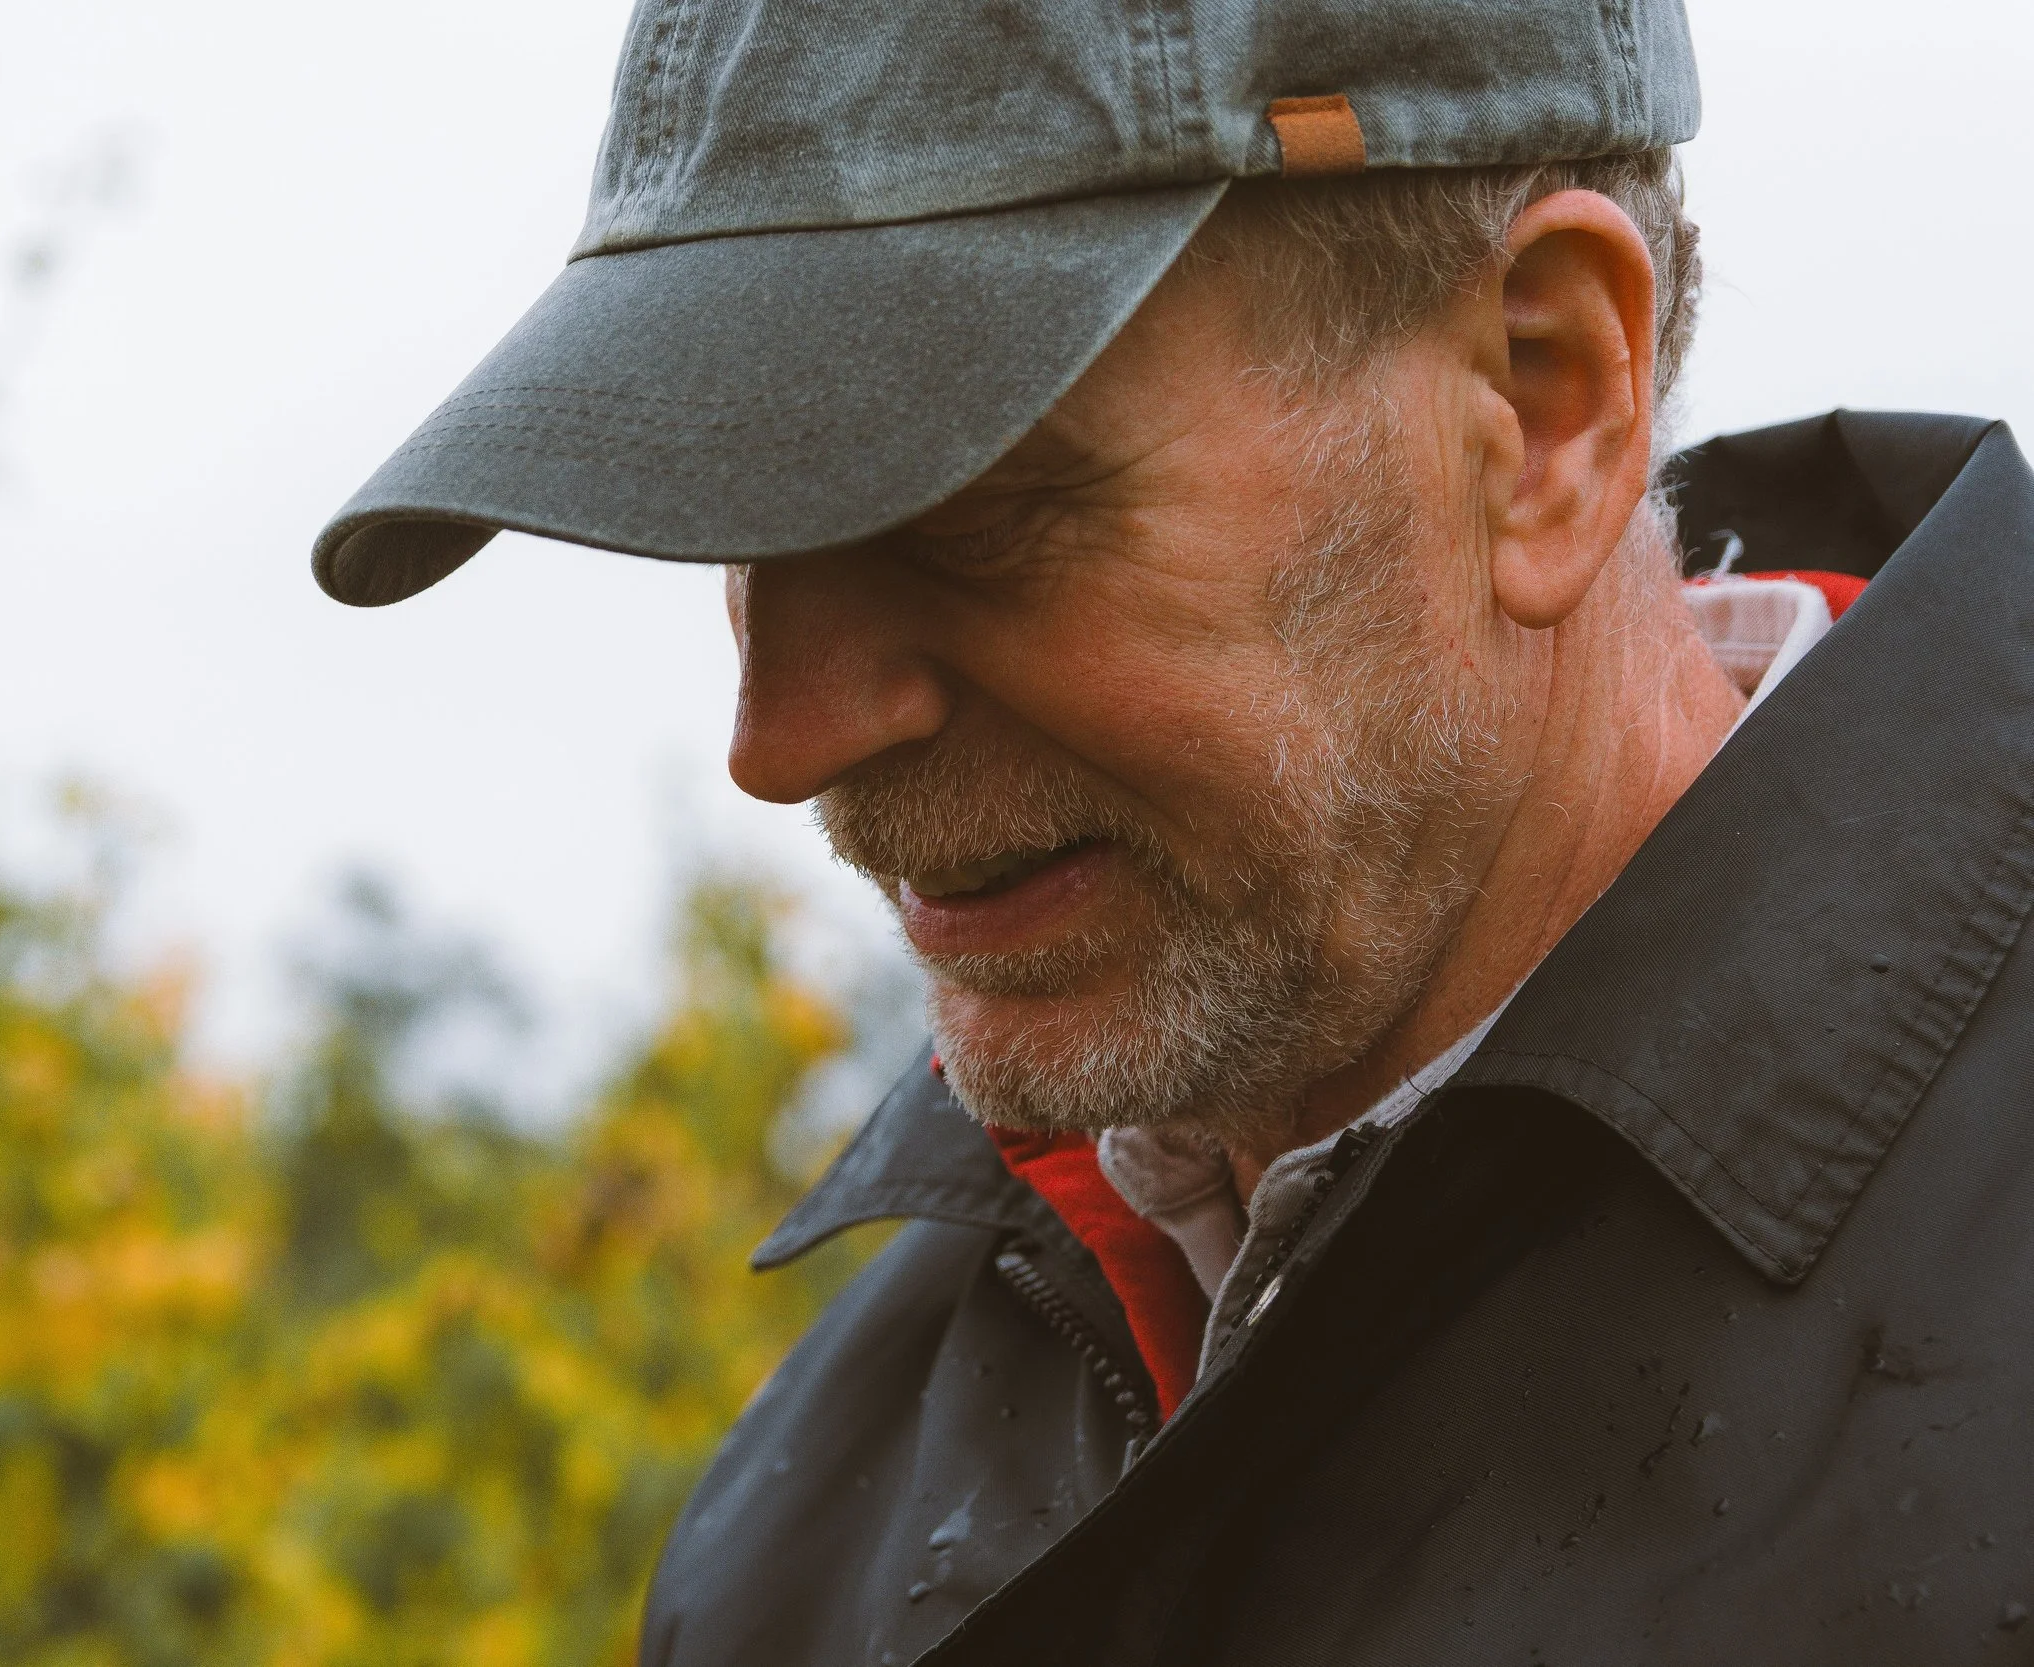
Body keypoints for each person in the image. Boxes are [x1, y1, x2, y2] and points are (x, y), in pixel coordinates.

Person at [312, 1, 2034, 1661]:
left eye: (967, 508)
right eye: (740, 531)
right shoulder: (802, 1529)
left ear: (1541, 404)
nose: (783, 740)